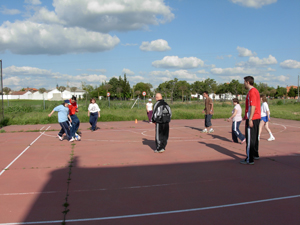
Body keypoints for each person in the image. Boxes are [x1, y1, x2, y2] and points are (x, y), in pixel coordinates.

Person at [241, 76, 261, 165]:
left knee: (250, 139)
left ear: (248, 82)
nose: (244, 83)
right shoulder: (255, 90)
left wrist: (250, 119)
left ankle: (249, 159)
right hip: (256, 117)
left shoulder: (252, 92)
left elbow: (253, 106)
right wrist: (246, 116)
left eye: (244, 82)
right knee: (254, 137)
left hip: (253, 118)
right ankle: (255, 154)